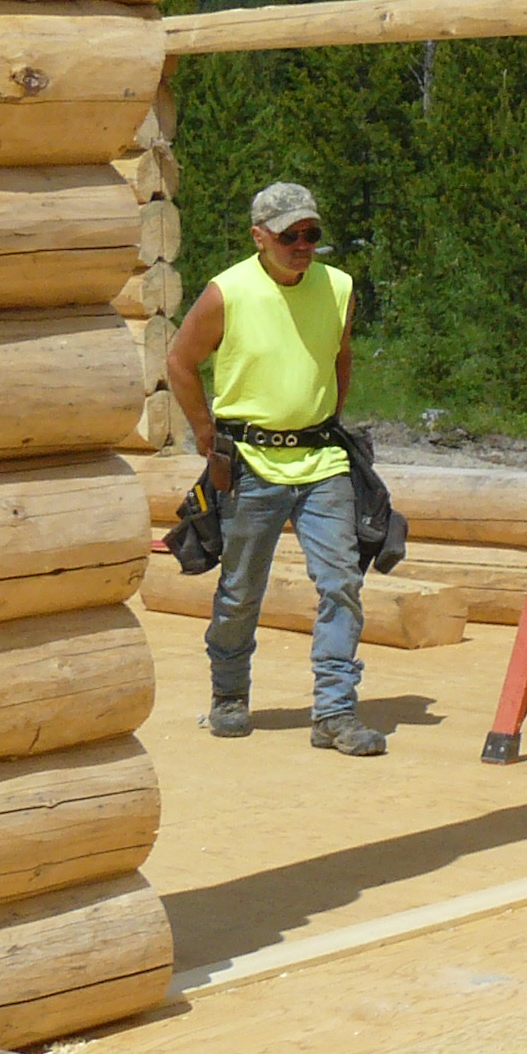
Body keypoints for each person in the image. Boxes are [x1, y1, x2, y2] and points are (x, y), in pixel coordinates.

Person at [162, 181, 389, 755]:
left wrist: (328, 420)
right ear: (259, 237)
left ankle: (334, 712)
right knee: (241, 590)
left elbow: (340, 356)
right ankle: (229, 695)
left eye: (311, 234)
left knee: (341, 583)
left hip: (322, 461)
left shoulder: (339, 288)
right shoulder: (228, 293)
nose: (303, 245)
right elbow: (181, 361)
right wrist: (206, 435)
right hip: (250, 465)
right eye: (290, 236)